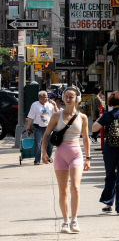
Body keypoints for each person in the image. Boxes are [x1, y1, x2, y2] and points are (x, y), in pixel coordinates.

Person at [41, 87, 91, 233]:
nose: (69, 99)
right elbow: (46, 134)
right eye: (67, 96)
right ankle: (65, 221)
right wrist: (44, 152)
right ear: (63, 98)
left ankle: (74, 220)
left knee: (75, 187)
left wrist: (88, 158)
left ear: (77, 99)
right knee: (63, 191)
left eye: (72, 96)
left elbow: (86, 138)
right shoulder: (57, 116)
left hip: (76, 154)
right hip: (60, 154)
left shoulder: (83, 117)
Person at [26, 90, 59, 165]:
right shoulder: (35, 105)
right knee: (38, 144)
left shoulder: (50, 105)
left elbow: (57, 113)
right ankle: (37, 160)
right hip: (38, 128)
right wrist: (28, 126)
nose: (47, 99)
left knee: (50, 144)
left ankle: (48, 157)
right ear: (40, 98)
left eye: (47, 97)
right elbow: (31, 116)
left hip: (48, 127)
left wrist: (54, 105)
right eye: (45, 97)